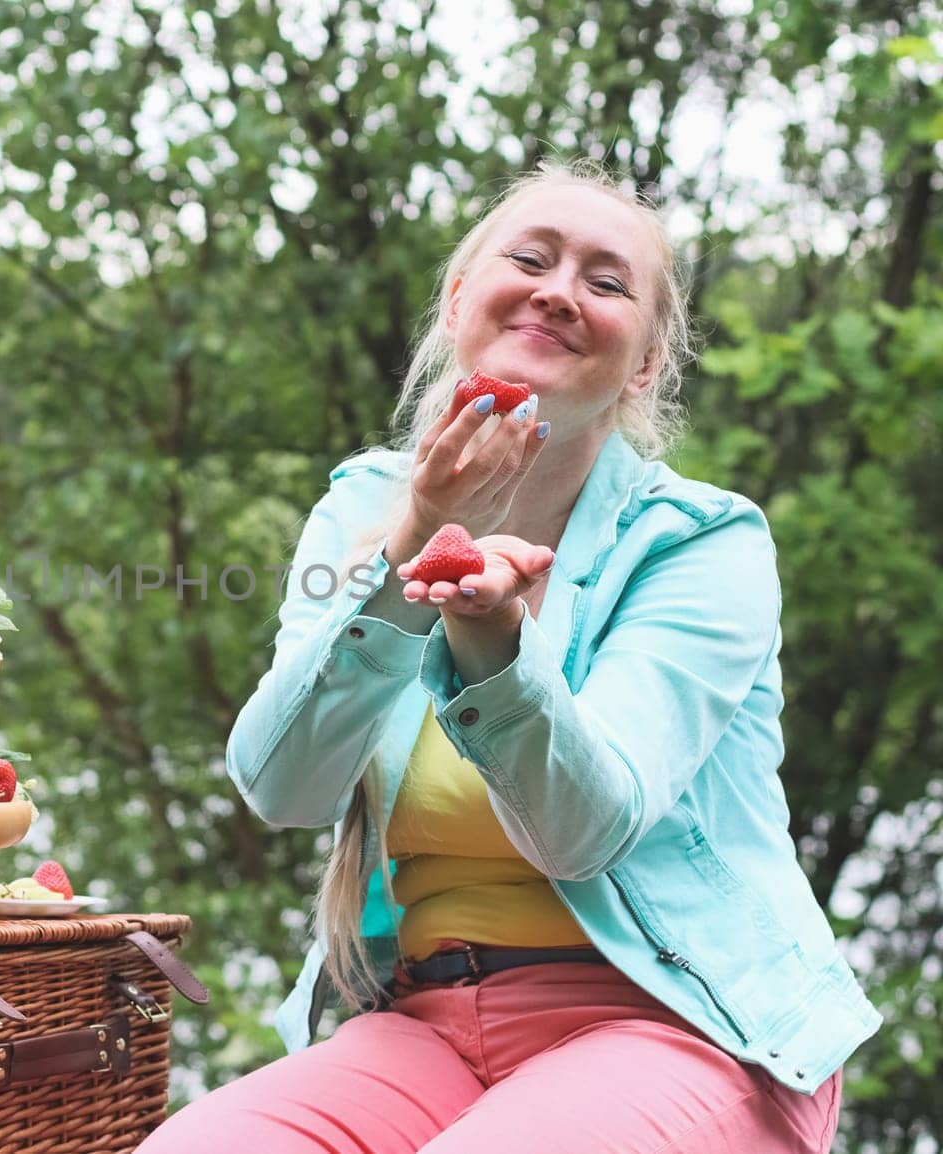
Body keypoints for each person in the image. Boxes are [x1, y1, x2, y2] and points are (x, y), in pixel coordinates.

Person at [139, 161, 880, 1153]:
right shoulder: (364, 508)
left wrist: (494, 647)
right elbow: (283, 783)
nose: (557, 289)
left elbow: (584, 828)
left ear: (645, 365)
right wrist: (412, 548)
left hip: (680, 1025)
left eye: (606, 282)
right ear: (457, 303)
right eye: (528, 258)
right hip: (427, 1025)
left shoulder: (700, 544)